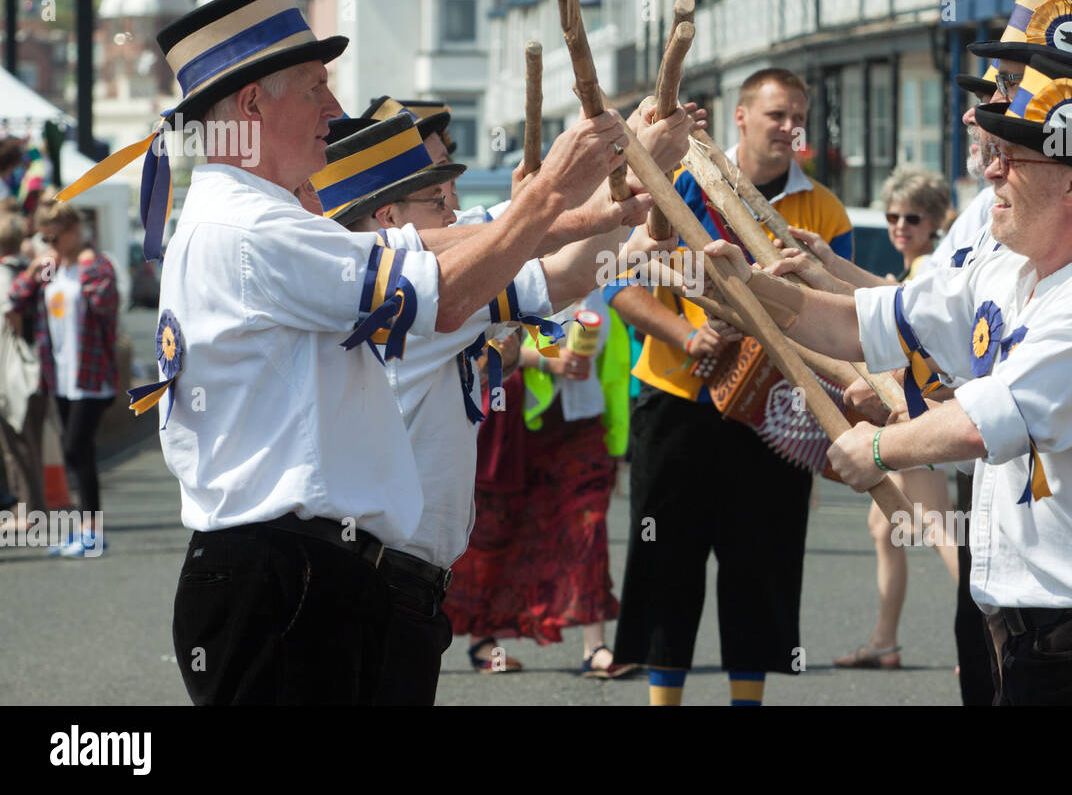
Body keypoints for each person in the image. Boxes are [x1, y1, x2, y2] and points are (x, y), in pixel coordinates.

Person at [55, 0, 630, 705]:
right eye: (315, 86)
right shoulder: (250, 230)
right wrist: (550, 195)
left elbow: (421, 251)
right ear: (253, 103)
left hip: (296, 576)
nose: (334, 109)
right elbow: (443, 294)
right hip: (282, 577)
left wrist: (574, 209)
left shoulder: (252, 221)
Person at [709, 53, 1072, 705]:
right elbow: (867, 323)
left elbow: (984, 421)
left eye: (1015, 157)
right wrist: (746, 290)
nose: (991, 169)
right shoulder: (1006, 270)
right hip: (1026, 627)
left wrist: (879, 449)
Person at [320, 107, 684, 701]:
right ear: (389, 219)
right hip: (380, 575)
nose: (454, 210)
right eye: (438, 200)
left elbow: (551, 252)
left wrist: (635, 164)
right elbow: (567, 273)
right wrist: (641, 162)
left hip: (390, 573)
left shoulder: (397, 280)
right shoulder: (419, 294)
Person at [609, 67, 853, 706]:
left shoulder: (822, 208)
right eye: (776, 114)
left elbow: (843, 315)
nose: (789, 127)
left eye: (797, 115)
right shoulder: (680, 185)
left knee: (762, 564)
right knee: (667, 563)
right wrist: (685, 334)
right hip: (676, 397)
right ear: (740, 117)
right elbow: (622, 285)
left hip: (775, 408)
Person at [449, 294, 636, 678]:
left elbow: (615, 369)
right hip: (518, 421)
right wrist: (542, 358)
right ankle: (484, 641)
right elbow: (482, 342)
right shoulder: (523, 265)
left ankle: (595, 646)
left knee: (589, 527)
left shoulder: (603, 289)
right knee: (496, 529)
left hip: (582, 425)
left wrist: (617, 442)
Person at [833, 168, 957, 670]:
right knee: (886, 528)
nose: (900, 225)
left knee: (940, 530)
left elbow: (923, 346)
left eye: (913, 217)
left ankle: (988, 636)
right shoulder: (913, 270)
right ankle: (884, 640)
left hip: (916, 417)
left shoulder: (928, 268)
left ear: (933, 223)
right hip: (908, 415)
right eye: (893, 216)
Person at [8, 202, 117, 556]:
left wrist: (83, 270)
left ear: (74, 230)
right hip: (61, 375)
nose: (51, 241)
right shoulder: (51, 269)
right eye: (45, 235)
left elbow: (106, 304)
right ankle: (88, 530)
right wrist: (33, 270)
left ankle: (92, 531)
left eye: (56, 234)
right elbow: (15, 300)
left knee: (75, 448)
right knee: (78, 453)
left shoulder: (95, 265)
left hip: (92, 375)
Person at [0, 212, 43, 524]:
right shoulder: (29, 270)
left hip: (13, 367)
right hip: (35, 365)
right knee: (29, 443)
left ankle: (27, 512)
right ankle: (33, 509)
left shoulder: (6, 275)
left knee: (17, 445)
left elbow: (11, 316)